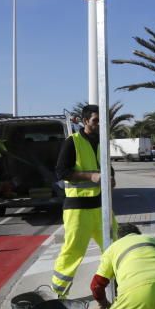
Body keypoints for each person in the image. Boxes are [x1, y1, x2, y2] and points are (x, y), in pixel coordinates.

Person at [51, 104, 115, 297]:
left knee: (116, 247)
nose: (98, 124)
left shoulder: (102, 142)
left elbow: (107, 168)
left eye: (101, 121)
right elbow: (61, 172)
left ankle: (119, 287)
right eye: (95, 120)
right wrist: (90, 177)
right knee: (72, 253)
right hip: (78, 210)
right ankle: (58, 295)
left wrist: (111, 178)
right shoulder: (73, 142)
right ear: (85, 121)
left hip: (101, 207)